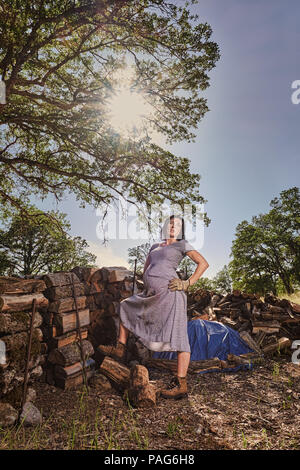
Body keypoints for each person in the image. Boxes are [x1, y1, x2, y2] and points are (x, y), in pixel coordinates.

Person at [98, 215, 209, 399]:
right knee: (126, 306)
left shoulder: (182, 245)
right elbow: (146, 269)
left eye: (178, 225)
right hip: (152, 294)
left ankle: (181, 384)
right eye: (171, 223)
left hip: (171, 294)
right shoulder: (154, 247)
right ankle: (120, 347)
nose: (174, 227)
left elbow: (203, 263)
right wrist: (149, 282)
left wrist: (187, 283)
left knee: (179, 335)